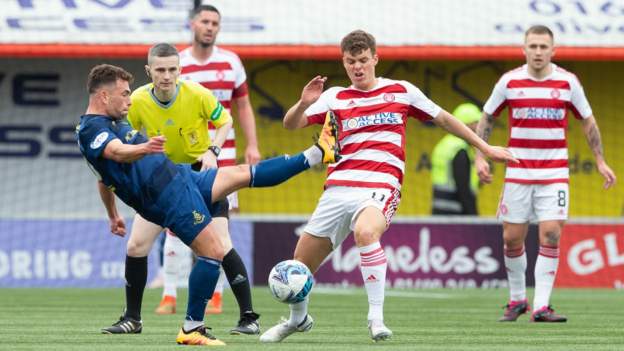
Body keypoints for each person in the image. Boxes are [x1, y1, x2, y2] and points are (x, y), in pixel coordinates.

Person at [259, 30, 517, 343]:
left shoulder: (401, 90)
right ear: (344, 61)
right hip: (338, 187)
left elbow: (445, 119)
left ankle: (376, 318)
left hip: (381, 183)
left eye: (363, 60)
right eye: (351, 61)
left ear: (375, 58)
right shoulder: (334, 96)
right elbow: (291, 124)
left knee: (366, 232)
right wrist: (303, 103)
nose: (358, 67)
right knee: (300, 264)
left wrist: (486, 149)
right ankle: (297, 320)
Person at [77, 64, 339, 346]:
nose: (130, 100)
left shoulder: (116, 119)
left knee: (240, 174)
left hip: (178, 175)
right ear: (104, 96)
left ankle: (318, 152)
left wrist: (113, 214)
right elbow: (115, 152)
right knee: (214, 250)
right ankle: (191, 328)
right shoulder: (91, 128)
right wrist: (145, 147)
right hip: (165, 196)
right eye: (124, 94)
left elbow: (103, 179)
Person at [100, 42, 260, 335]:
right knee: (136, 245)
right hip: (161, 184)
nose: (166, 75)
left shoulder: (197, 93)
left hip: (201, 179)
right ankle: (132, 318)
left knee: (222, 246)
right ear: (149, 71)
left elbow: (224, 121)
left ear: (180, 70)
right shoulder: (136, 101)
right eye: (160, 70)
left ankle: (249, 317)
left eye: (172, 69)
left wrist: (213, 150)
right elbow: (123, 138)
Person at [475, 25, 616, 323]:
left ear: (553, 50)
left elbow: (588, 122)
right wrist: (480, 156)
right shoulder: (509, 82)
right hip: (518, 172)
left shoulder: (568, 82)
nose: (538, 52)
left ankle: (541, 306)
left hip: (554, 173)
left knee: (551, 233)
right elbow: (487, 117)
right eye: (533, 46)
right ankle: (517, 301)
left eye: (543, 47)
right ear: (524, 49)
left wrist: (601, 161)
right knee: (512, 239)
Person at [156, 3, 262, 320]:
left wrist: (253, 144)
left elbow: (242, 107)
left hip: (224, 159)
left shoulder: (231, 62)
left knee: (217, 230)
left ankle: (215, 296)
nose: (210, 27)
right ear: (192, 24)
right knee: (175, 227)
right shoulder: (179, 63)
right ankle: (169, 294)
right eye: (205, 21)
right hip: (187, 159)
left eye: (215, 22)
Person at [431, 103, 481, 215]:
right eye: (476, 123)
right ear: (466, 125)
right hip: (455, 214)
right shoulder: (460, 149)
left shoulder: (445, 144)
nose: (478, 127)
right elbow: (463, 189)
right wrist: (474, 219)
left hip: (439, 211)